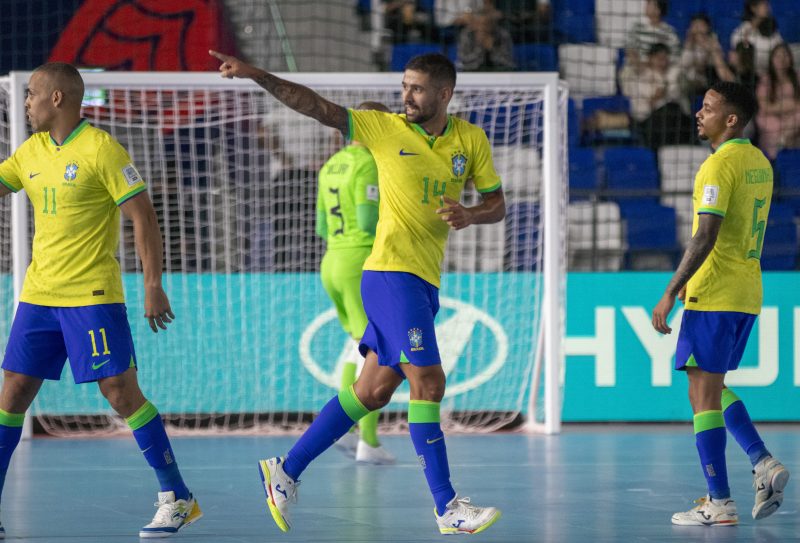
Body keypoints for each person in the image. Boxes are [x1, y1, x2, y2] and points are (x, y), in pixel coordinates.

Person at [210, 49, 505, 535]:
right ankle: (447, 506)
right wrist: (257, 75)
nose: (405, 96)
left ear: (445, 94)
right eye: (404, 85)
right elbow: (316, 106)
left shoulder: (469, 139)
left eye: (416, 88)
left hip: (424, 280)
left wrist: (471, 214)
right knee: (428, 383)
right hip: (390, 274)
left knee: (370, 391)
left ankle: (285, 470)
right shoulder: (383, 128)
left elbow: (496, 202)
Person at [0, 62, 202, 538]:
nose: (25, 102)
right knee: (11, 393)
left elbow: (142, 214)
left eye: (31, 94)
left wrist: (152, 284)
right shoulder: (30, 151)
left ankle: (177, 497)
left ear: (57, 99)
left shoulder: (101, 148)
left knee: (119, 393)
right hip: (38, 295)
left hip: (91, 294)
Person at [652, 80, 790, 526]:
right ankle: (762, 462)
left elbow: (706, 233)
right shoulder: (760, 163)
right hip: (746, 291)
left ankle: (720, 501)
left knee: (702, 393)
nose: (699, 113)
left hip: (712, 291)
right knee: (703, 387)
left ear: (731, 119)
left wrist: (672, 289)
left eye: (709, 108)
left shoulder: (717, 167)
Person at [316, 100, 395, 465]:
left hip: (332, 261)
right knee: (379, 350)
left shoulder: (330, 164)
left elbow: (319, 226)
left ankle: (348, 433)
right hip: (359, 261)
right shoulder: (367, 163)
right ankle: (369, 441)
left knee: (356, 345)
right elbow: (367, 220)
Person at [620, 42, 693, 148]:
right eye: (658, 58)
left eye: (665, 59)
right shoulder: (640, 77)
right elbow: (647, 106)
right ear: (649, 58)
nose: (662, 62)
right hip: (650, 123)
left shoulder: (673, 74)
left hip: (677, 122)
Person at [755, 43, 800, 159]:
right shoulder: (766, 80)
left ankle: (786, 142)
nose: (782, 59)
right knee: (765, 120)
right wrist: (790, 105)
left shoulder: (797, 77)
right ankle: (780, 150)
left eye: (785, 56)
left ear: (790, 59)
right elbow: (764, 107)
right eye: (778, 56)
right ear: (772, 59)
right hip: (772, 117)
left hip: (793, 118)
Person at [679, 13, 735, 99]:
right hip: (690, 78)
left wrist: (708, 49)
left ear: (707, 27)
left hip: (709, 78)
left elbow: (718, 64)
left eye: (701, 25)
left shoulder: (713, 41)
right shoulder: (689, 43)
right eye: (695, 25)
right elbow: (683, 64)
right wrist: (689, 45)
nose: (698, 28)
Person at [456, 0, 515, 72]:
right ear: (475, 24)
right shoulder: (466, 35)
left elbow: (507, 62)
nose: (483, 29)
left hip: (498, 74)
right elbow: (463, 61)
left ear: (492, 24)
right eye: (480, 25)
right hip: (472, 74)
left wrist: (492, 48)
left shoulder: (503, 35)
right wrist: (480, 47)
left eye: (486, 25)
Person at [729, 0, 783, 76]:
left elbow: (781, 49)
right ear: (753, 8)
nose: (769, 9)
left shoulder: (773, 31)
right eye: (765, 5)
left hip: (773, 75)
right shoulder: (740, 33)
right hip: (750, 77)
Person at [625, 0, 681, 72]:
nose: (646, 6)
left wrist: (659, 64)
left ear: (658, 10)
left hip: (660, 69)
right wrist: (639, 65)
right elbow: (630, 49)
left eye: (649, 4)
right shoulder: (637, 28)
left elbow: (675, 56)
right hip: (638, 68)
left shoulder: (670, 32)